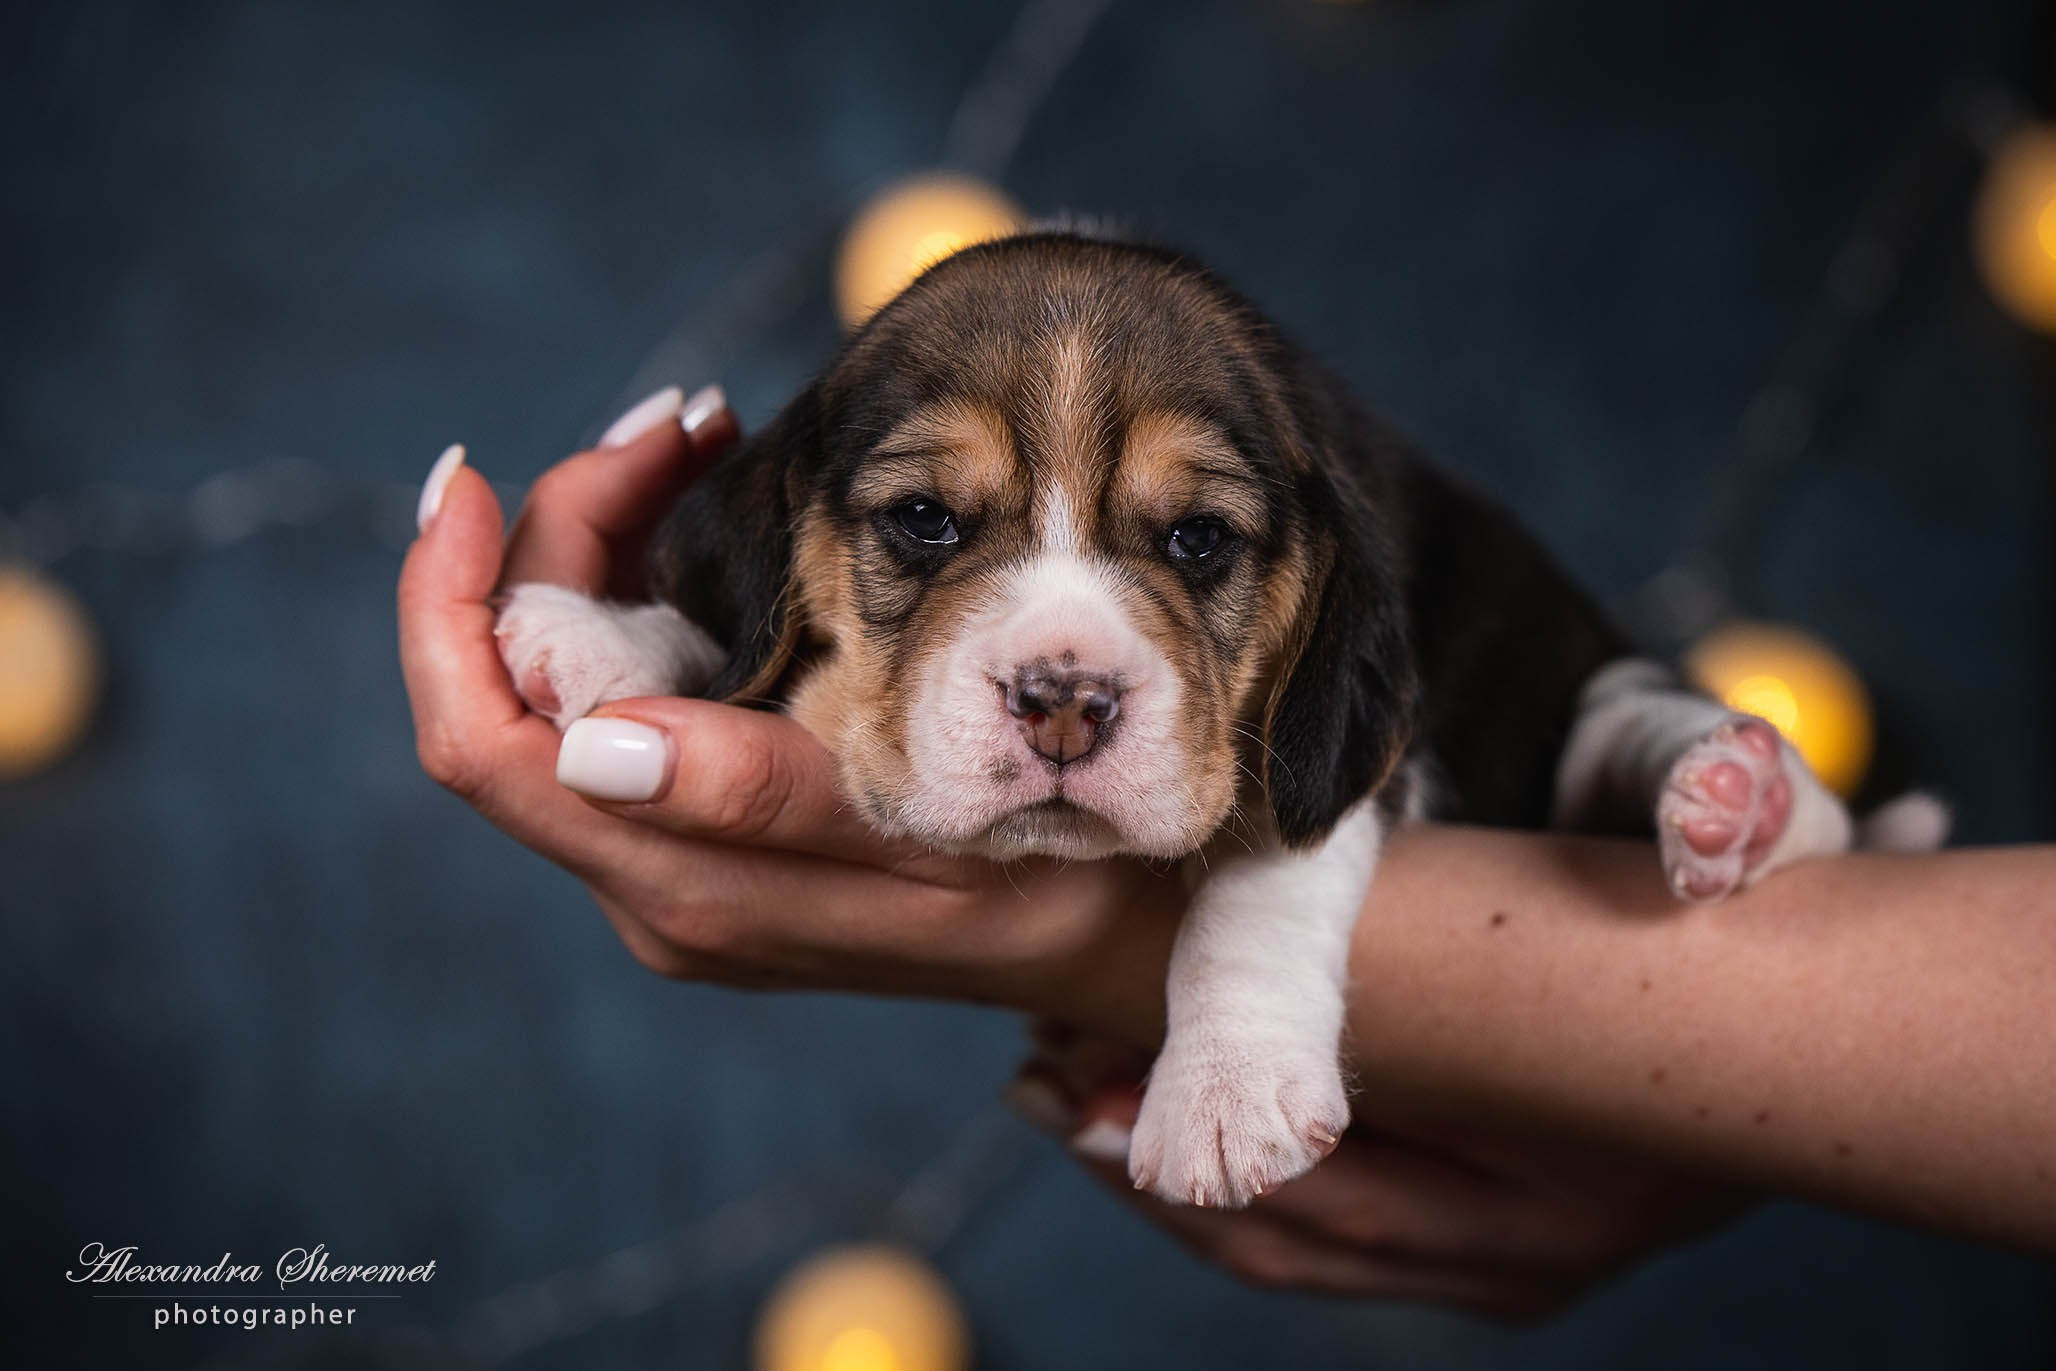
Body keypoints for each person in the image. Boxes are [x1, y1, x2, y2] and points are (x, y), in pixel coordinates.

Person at [397, 386, 2056, 1318]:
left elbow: (1329, 789)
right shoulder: (823, 549)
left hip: (1521, 766)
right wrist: (665, 657)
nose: (1054, 668)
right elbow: (809, 652)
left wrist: (1153, 971)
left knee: (1632, 734)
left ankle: (1720, 772)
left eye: (1189, 544)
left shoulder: (1348, 628)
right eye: (928, 521)